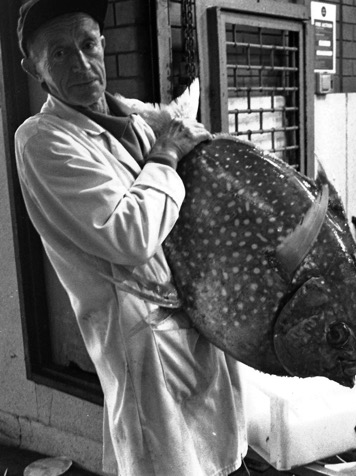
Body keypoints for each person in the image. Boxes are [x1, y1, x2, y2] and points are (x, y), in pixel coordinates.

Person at [14, 1, 247, 475]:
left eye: (87, 44)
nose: (81, 63)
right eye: (59, 53)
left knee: (222, 454)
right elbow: (130, 236)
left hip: (195, 323)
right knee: (165, 459)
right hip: (141, 341)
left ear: (103, 44)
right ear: (32, 69)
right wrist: (168, 152)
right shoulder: (42, 139)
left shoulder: (133, 121)